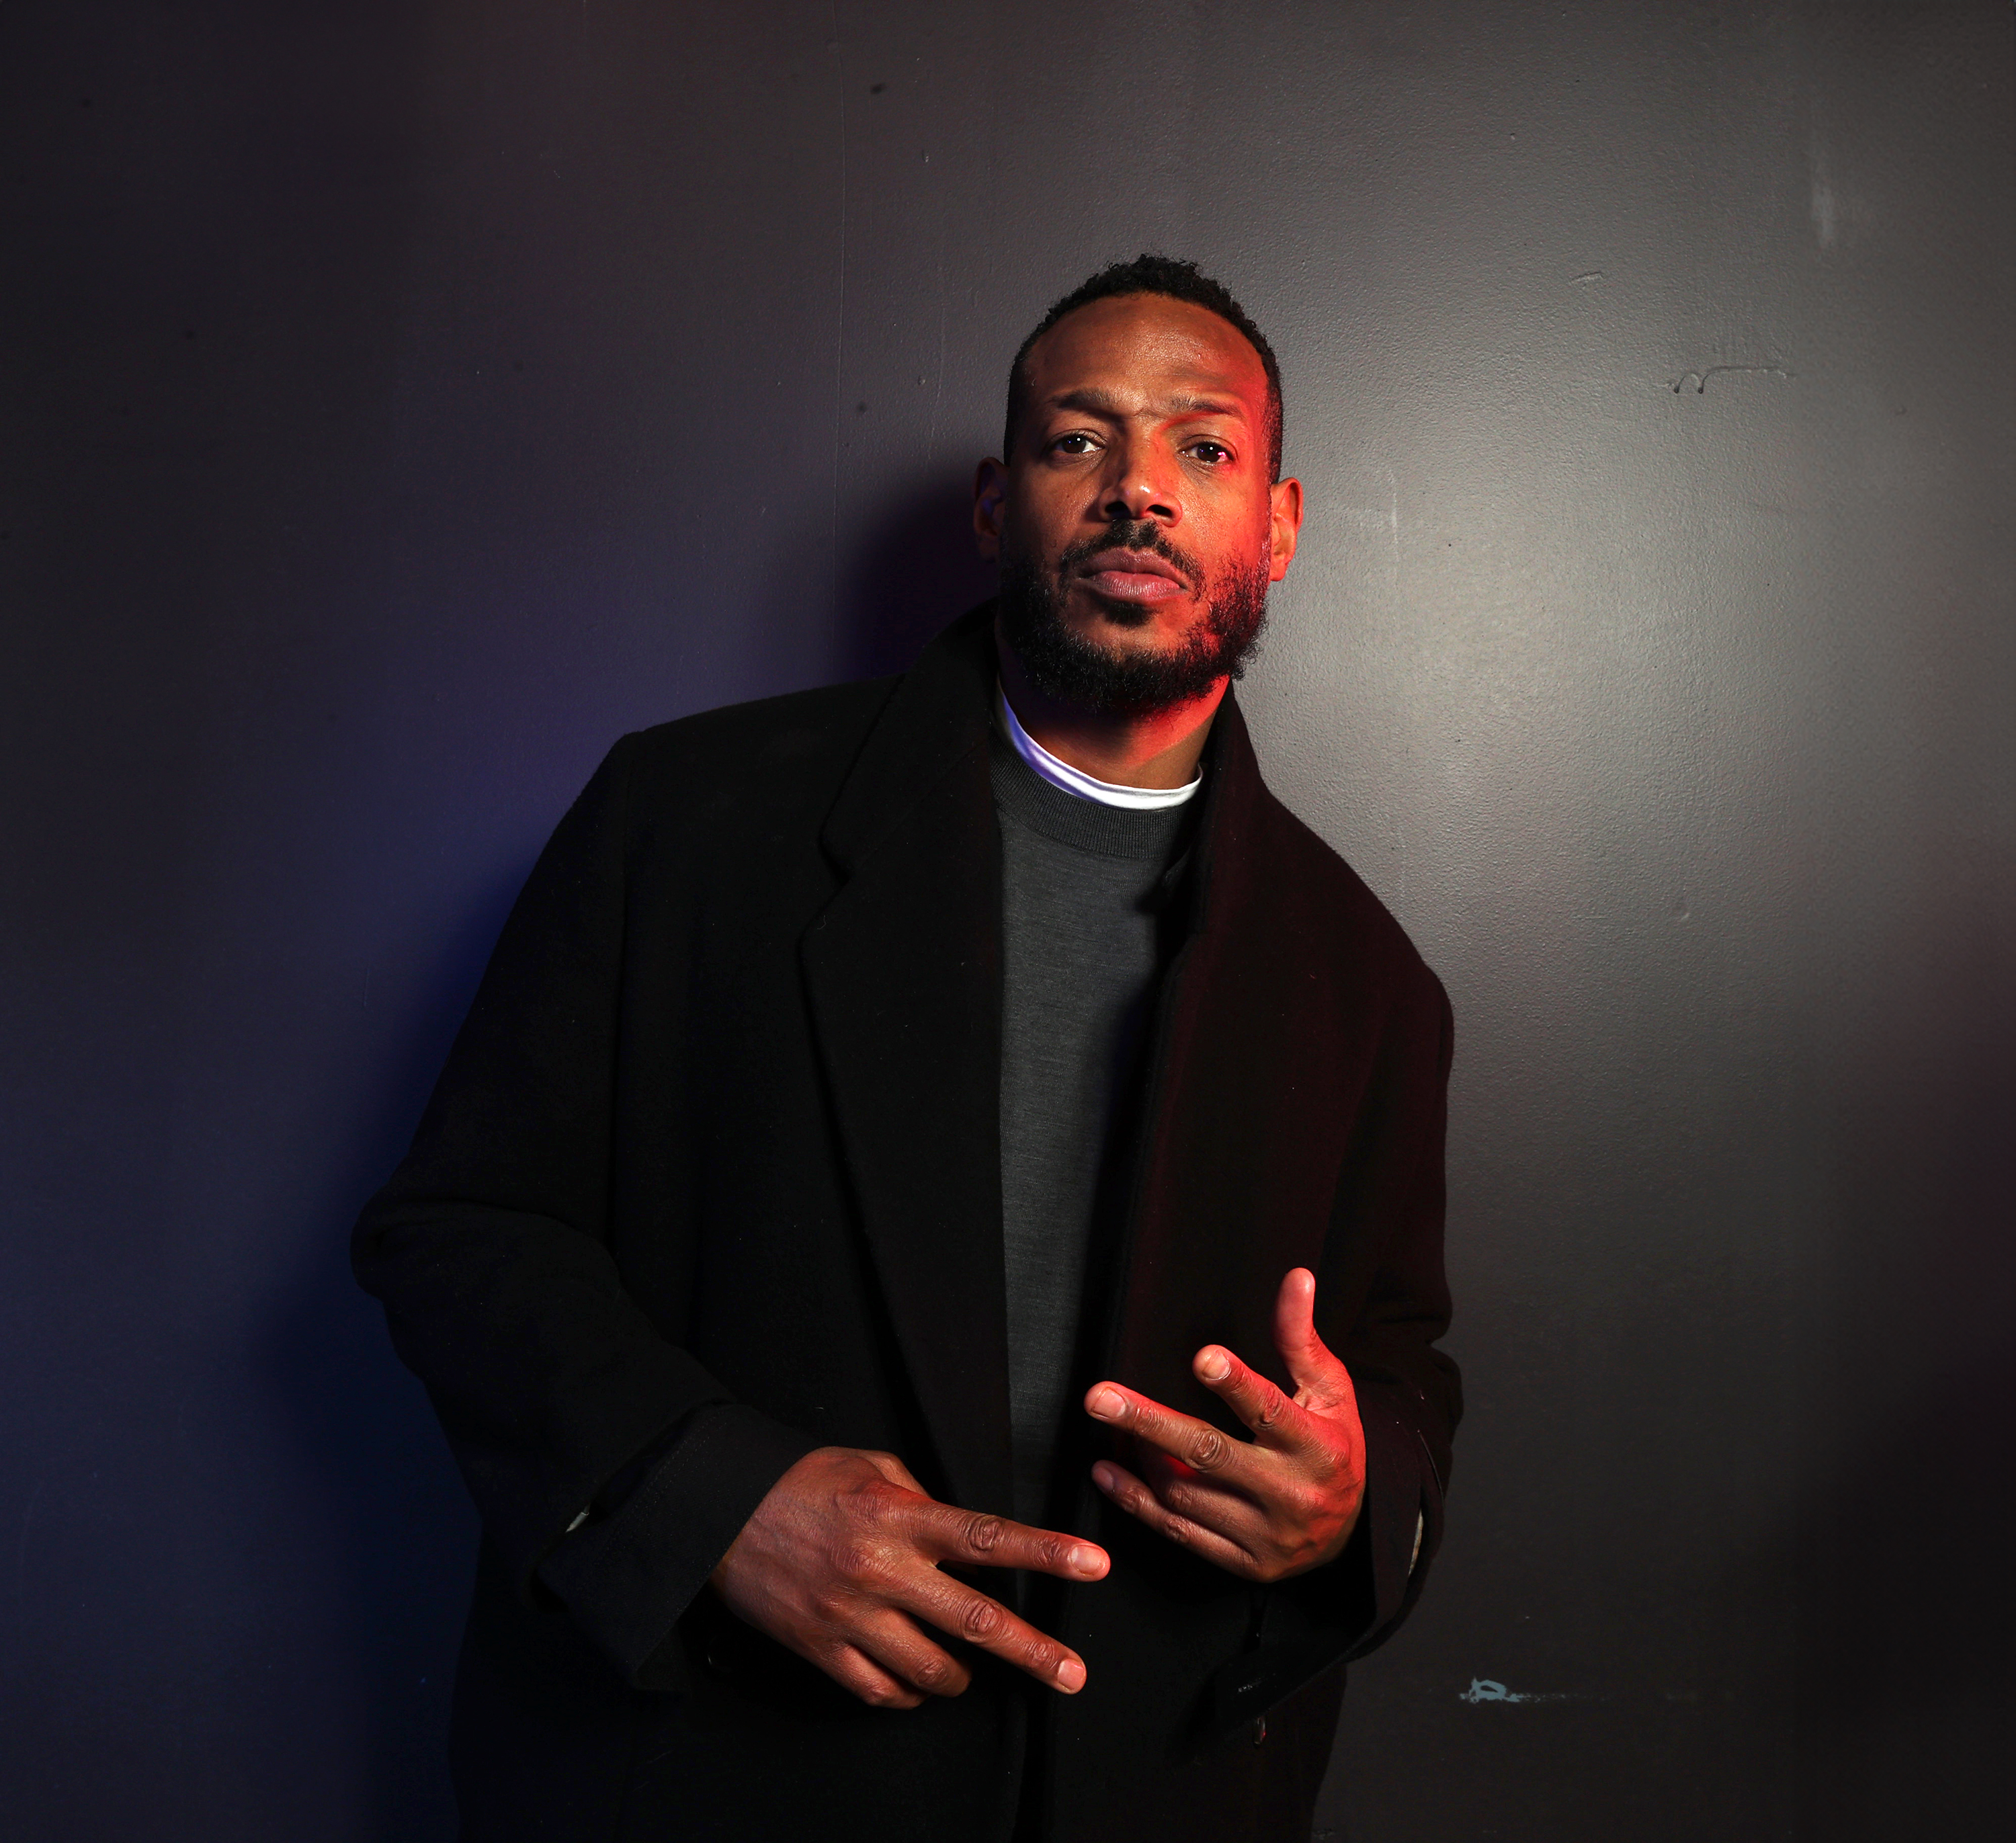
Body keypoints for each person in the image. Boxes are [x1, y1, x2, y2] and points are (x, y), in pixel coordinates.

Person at [354, 253, 1458, 1843]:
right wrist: (713, 1498)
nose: (1139, 488)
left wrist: (1348, 1502)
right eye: (1078, 439)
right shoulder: (688, 823)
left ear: (1277, 526)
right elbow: (461, 1230)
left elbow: (1404, 1370)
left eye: (1203, 448)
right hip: (724, 1785)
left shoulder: (1370, 980)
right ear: (998, 505)